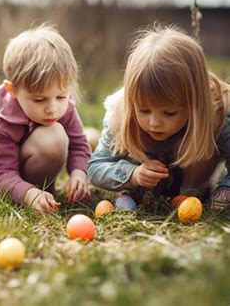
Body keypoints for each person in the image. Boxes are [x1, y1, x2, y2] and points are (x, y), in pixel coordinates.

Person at [88, 25, 230, 210]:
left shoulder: (216, 113)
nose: (154, 123)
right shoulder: (121, 113)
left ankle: (191, 194)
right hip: (145, 187)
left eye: (169, 113)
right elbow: (96, 167)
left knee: (202, 139)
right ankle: (132, 194)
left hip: (194, 182)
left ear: (195, 103)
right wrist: (133, 174)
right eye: (144, 110)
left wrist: (225, 189)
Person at [0, 25, 91, 213]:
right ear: (12, 90)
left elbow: (78, 143)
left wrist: (79, 174)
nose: (53, 109)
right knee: (54, 137)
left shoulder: (60, 103)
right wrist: (29, 194)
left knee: (87, 137)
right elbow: (1, 173)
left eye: (61, 96)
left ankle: (41, 189)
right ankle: (34, 192)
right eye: (39, 100)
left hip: (30, 158)